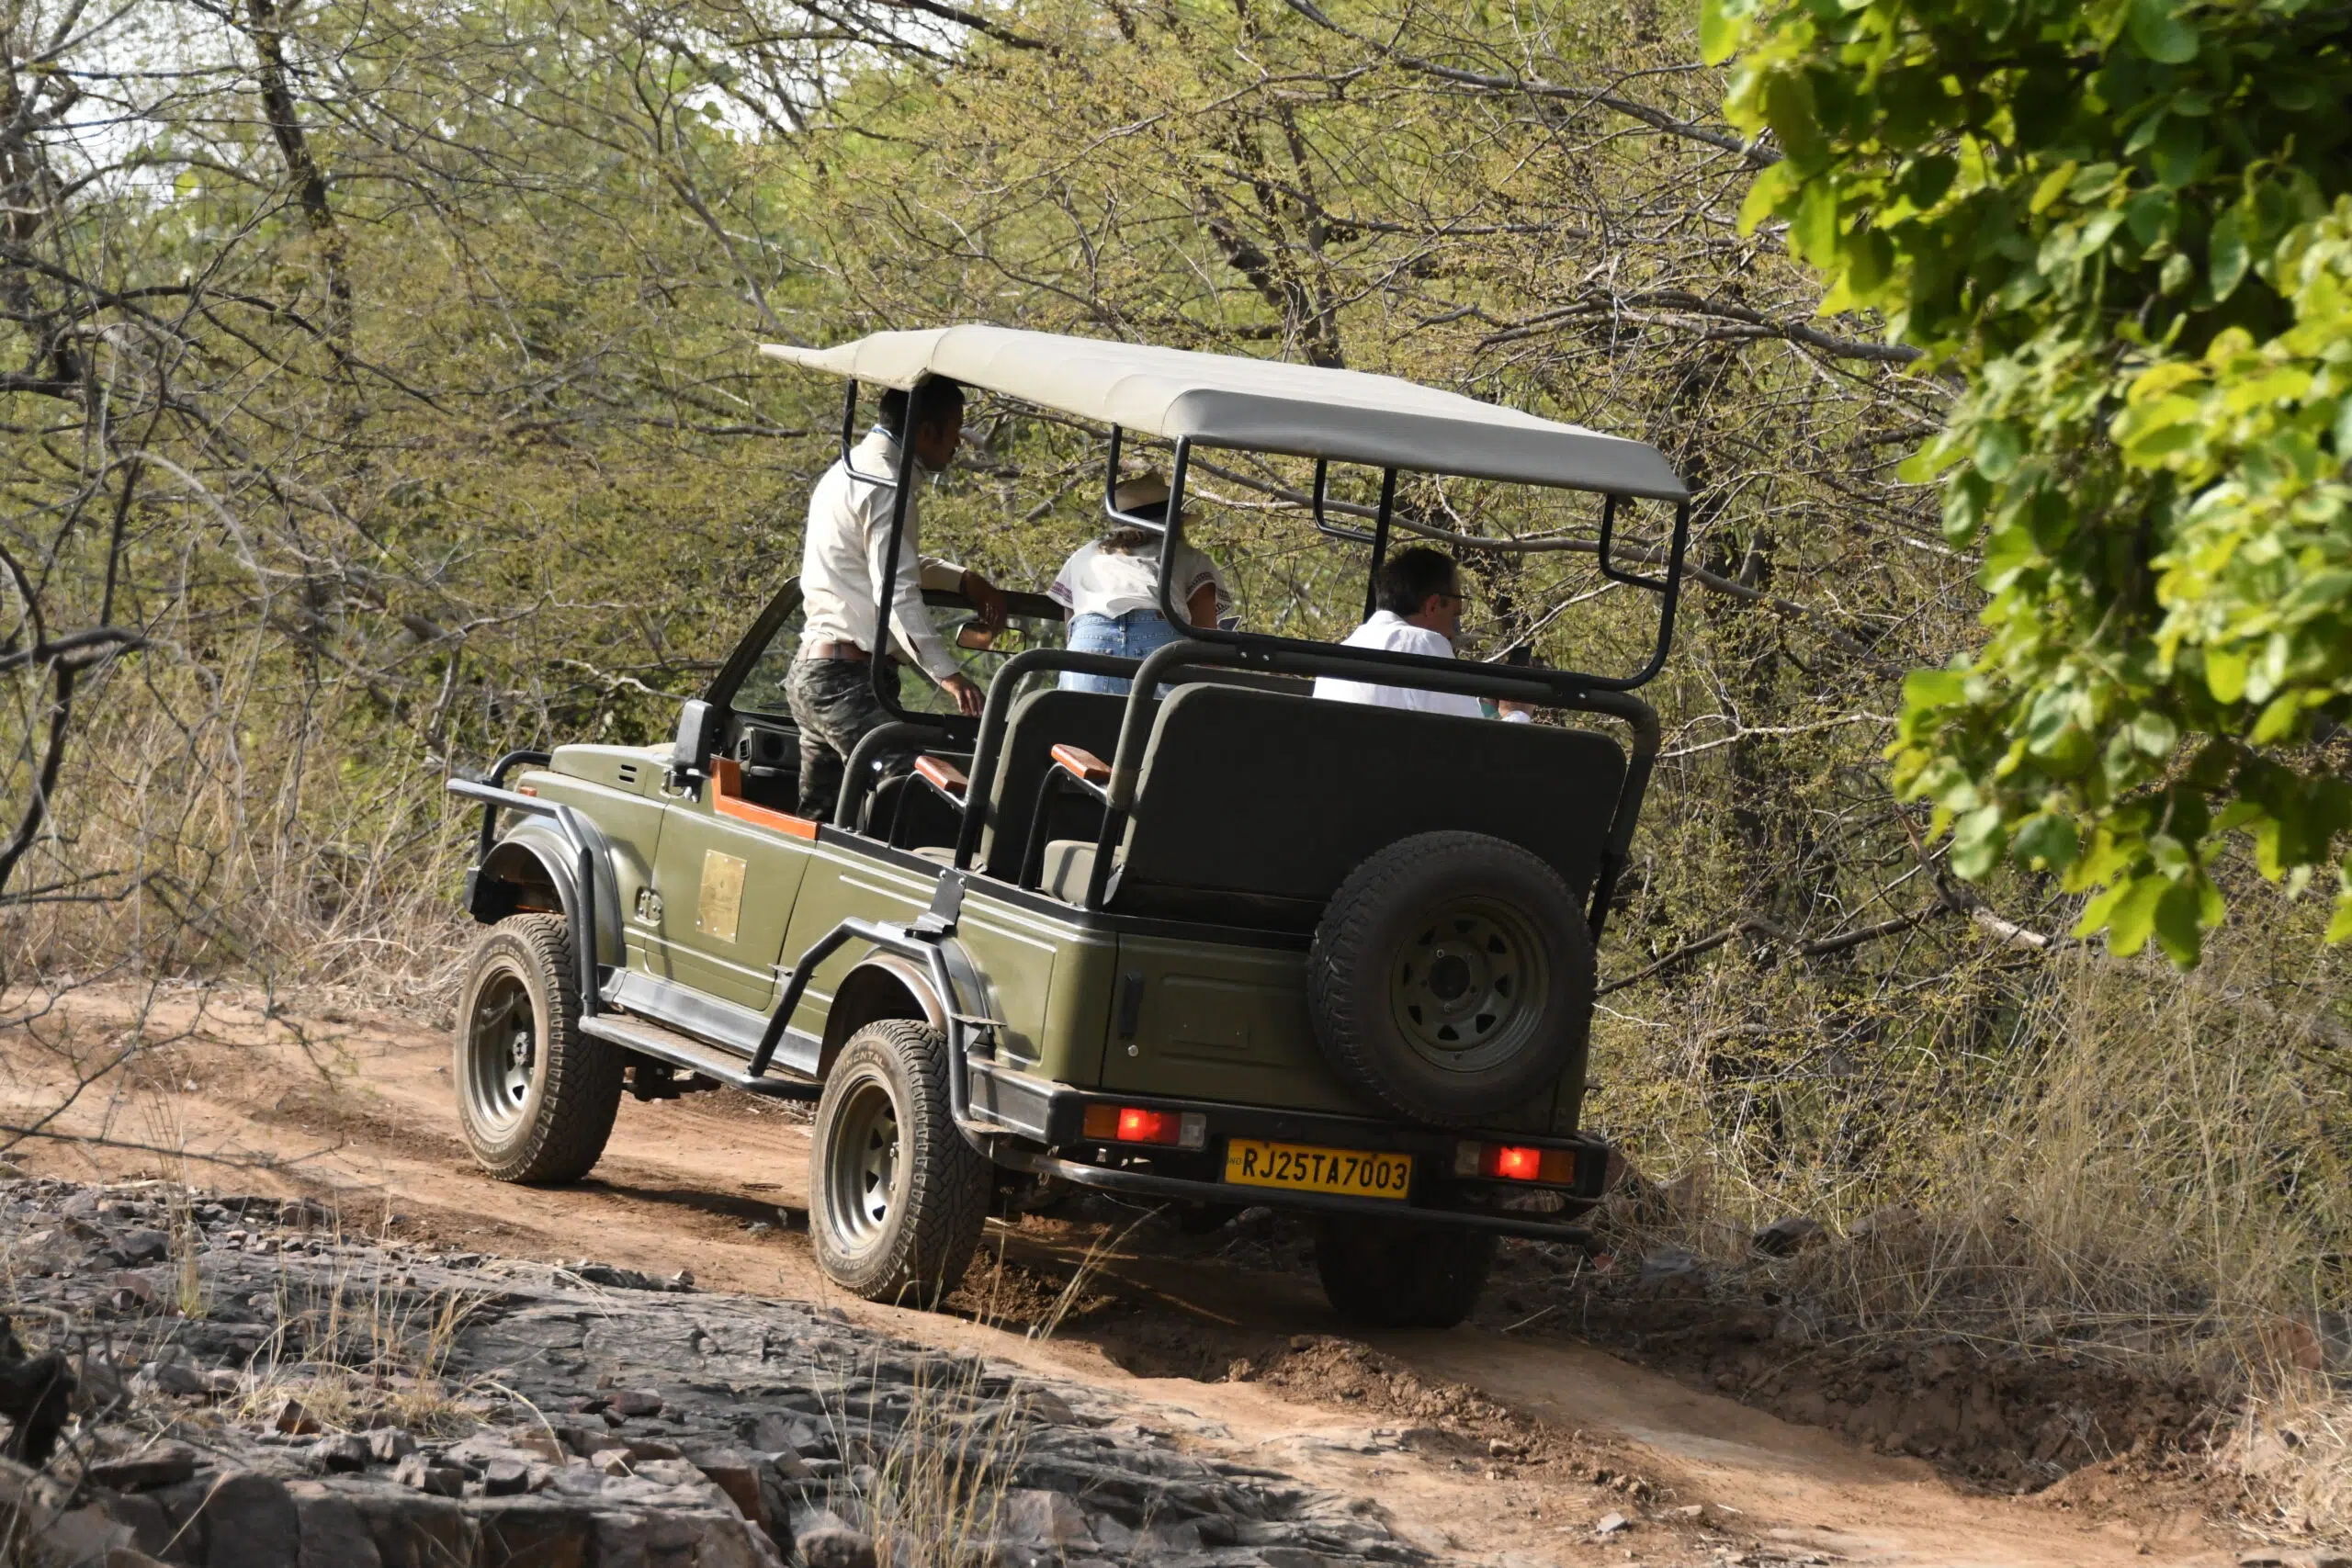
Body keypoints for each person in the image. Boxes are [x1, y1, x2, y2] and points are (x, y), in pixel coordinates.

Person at [786, 376, 1006, 822]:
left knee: (819, 820)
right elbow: (895, 589)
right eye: (954, 434)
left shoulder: (850, 470)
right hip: (847, 681)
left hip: (816, 672)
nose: (955, 449)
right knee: (912, 791)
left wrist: (963, 579)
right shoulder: (888, 483)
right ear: (929, 431)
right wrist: (949, 675)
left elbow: (883, 563)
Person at [1048, 473, 1232, 696]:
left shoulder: (1084, 555)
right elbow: (1206, 642)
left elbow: (1072, 625)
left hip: (1089, 646)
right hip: (1162, 649)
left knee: (1088, 728)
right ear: (1173, 520)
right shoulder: (1188, 557)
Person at [1312, 546, 1532, 722]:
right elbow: (1479, 752)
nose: (1454, 632)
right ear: (1434, 606)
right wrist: (1517, 714)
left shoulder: (1339, 657)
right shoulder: (1422, 644)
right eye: (1457, 612)